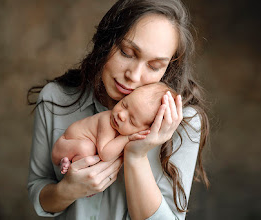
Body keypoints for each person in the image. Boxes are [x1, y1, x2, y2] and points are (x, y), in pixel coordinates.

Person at [27, 0, 210, 219]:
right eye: (126, 52)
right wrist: (66, 191)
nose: (133, 75)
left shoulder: (183, 121)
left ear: (168, 69)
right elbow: (39, 187)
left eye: (154, 66)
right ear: (107, 41)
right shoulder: (55, 99)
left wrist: (136, 156)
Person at [51, 83, 177, 175]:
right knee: (87, 148)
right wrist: (127, 138)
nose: (121, 115)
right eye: (124, 104)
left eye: (132, 120)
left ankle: (70, 164)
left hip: (71, 151)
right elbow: (105, 154)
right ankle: (69, 163)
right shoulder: (107, 121)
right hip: (64, 145)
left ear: (144, 131)